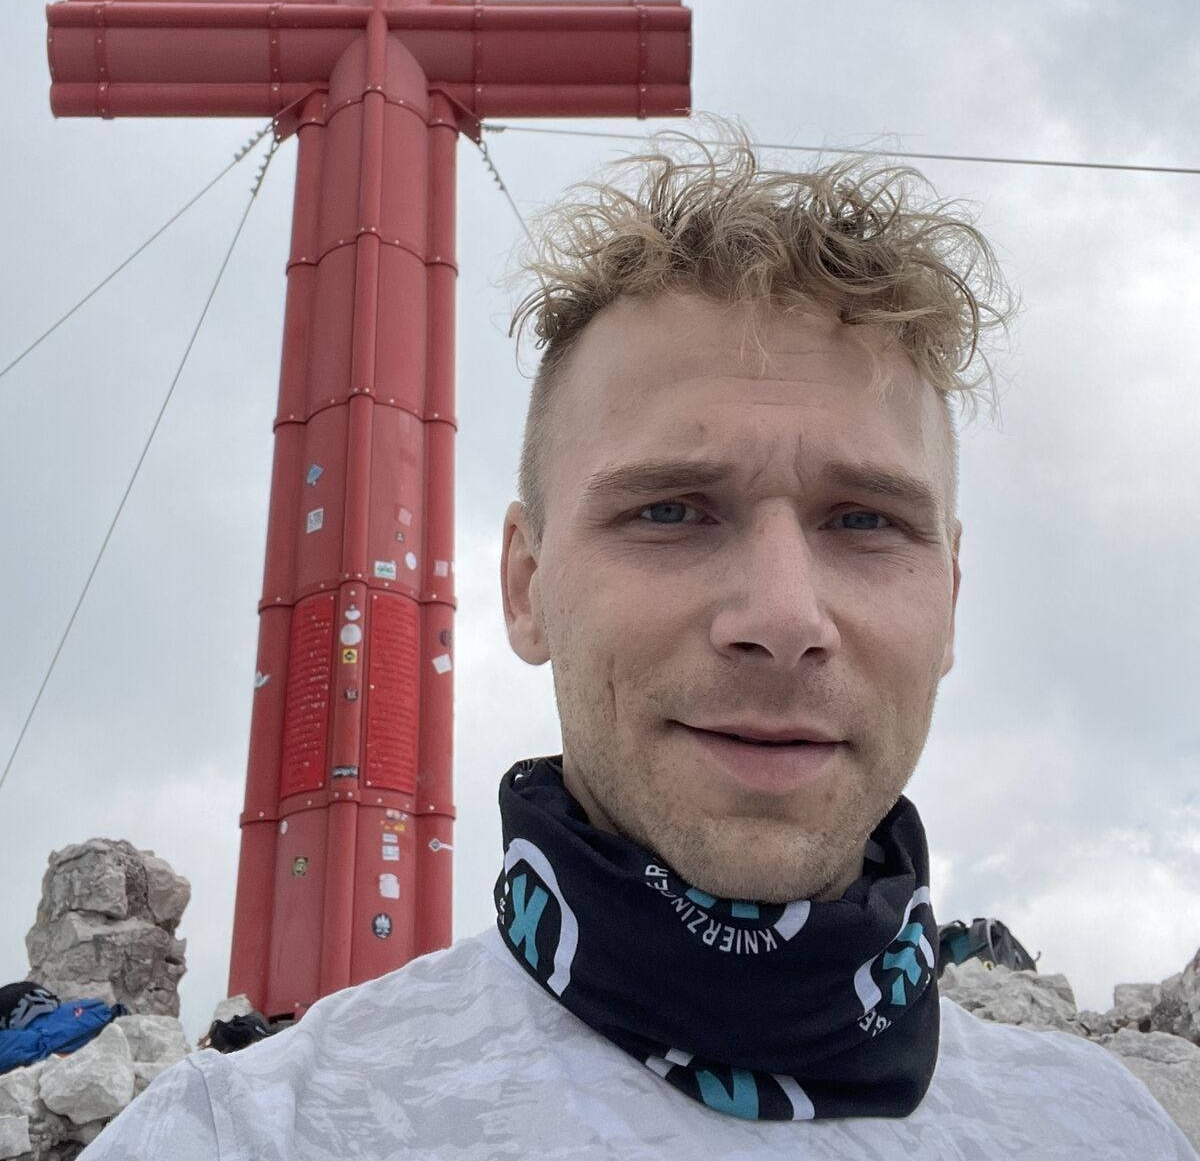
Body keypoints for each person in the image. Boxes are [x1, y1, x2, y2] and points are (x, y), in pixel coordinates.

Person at [87, 127, 1197, 1158]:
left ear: (949, 598)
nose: (782, 618)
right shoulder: (242, 1137)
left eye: (865, 521)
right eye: (670, 510)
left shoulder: (1108, 1134)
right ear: (526, 587)